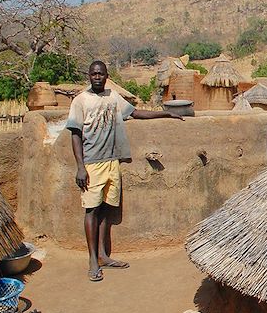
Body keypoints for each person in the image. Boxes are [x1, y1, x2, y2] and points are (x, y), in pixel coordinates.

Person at [66, 60, 183, 282]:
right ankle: (92, 260)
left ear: (107, 76)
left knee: (104, 211)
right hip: (92, 163)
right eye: (93, 74)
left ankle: (103, 255)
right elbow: (75, 134)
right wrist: (80, 166)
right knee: (91, 210)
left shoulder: (113, 97)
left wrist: (166, 114)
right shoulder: (80, 100)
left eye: (101, 74)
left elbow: (136, 113)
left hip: (112, 161)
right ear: (89, 76)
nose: (97, 77)